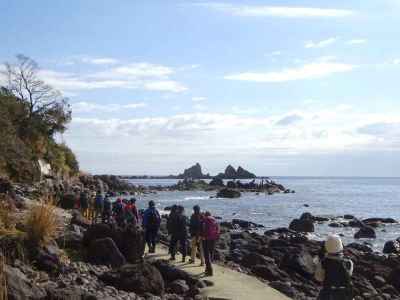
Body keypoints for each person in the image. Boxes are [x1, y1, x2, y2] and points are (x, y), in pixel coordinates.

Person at [315, 235, 354, 300]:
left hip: (328, 295)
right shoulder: (349, 262)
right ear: (340, 246)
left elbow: (318, 278)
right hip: (345, 295)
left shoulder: (323, 262)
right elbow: (349, 274)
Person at [202, 211, 220, 276]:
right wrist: (217, 237)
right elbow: (218, 229)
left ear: (205, 215)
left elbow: (203, 229)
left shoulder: (205, 220)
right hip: (213, 239)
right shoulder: (215, 220)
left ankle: (209, 270)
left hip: (206, 239)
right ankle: (208, 268)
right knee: (211, 252)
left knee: (206, 255)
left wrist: (203, 237)